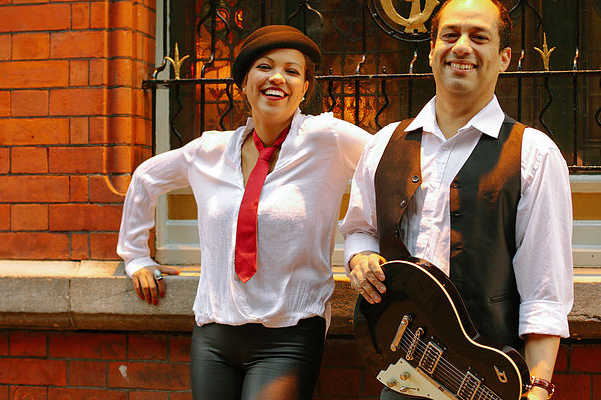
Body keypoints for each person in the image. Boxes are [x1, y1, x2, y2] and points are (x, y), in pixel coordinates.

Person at [117, 25, 371, 400]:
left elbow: (387, 166)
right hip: (214, 334)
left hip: (289, 333)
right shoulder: (209, 150)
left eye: (291, 71)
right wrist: (136, 256)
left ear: (304, 88)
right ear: (244, 83)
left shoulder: (328, 139)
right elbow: (145, 178)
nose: (277, 77)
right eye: (264, 67)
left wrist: (366, 242)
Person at [339, 1, 573, 399]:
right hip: (402, 375)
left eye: (479, 37)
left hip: (487, 381)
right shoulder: (382, 144)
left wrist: (538, 386)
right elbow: (361, 229)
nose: (462, 46)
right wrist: (360, 257)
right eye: (450, 35)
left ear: (504, 57)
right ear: (432, 51)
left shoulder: (534, 154)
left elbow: (544, 288)